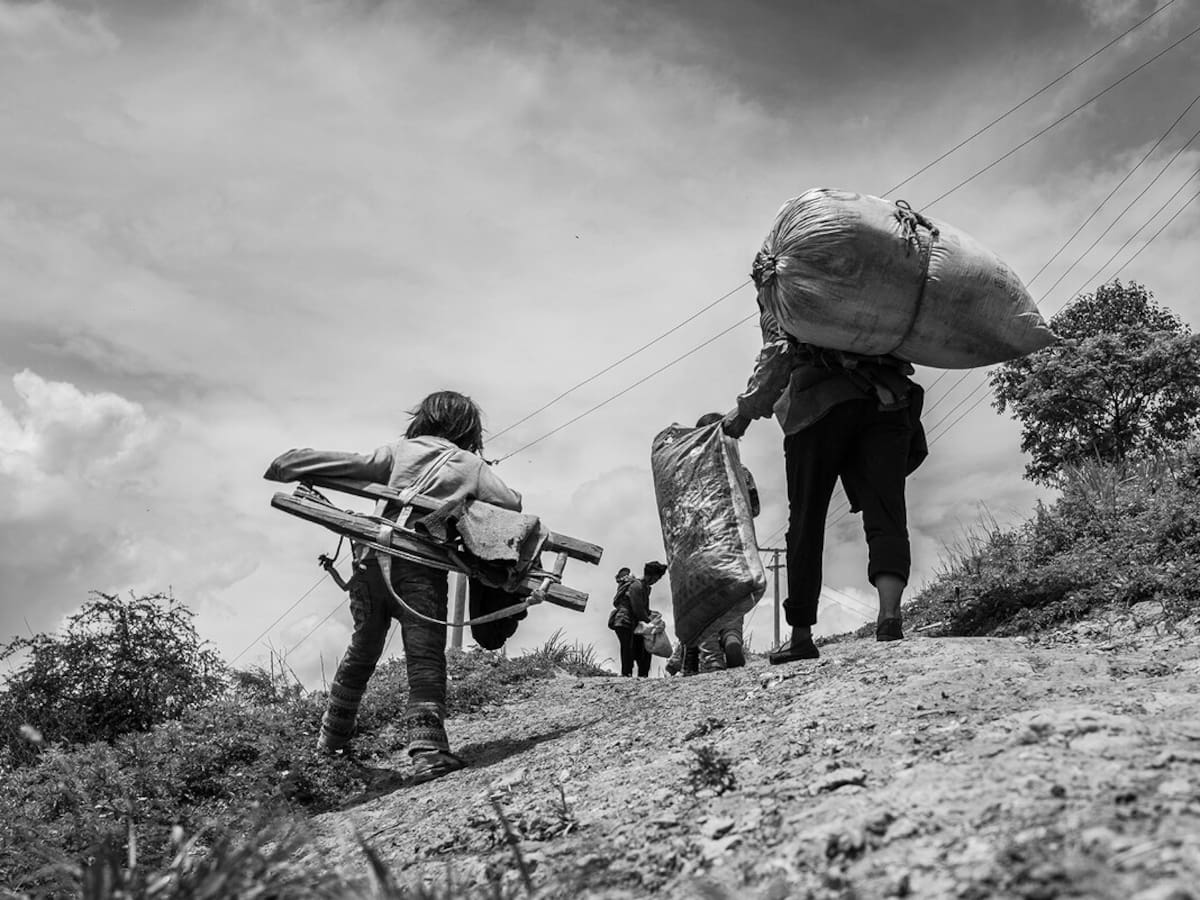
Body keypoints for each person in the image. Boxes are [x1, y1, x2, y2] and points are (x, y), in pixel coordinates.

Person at [264, 390, 522, 783]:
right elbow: (511, 503)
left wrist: (290, 463)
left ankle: (331, 744)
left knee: (362, 650)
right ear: (468, 428)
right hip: (417, 570)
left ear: (424, 419)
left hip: (369, 565)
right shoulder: (470, 464)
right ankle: (429, 753)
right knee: (424, 657)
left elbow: (354, 464)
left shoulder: (400, 451)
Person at [722, 264, 927, 664]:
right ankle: (889, 615)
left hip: (816, 408)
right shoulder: (870, 288)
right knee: (886, 507)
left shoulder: (785, 293)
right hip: (886, 402)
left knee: (807, 520)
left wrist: (745, 412)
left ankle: (800, 634)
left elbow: (778, 355)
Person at [671, 412, 761, 676]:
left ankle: (712, 658)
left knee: (704, 602)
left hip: (700, 548)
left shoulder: (688, 472)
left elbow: (678, 513)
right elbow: (753, 509)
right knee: (732, 594)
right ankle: (732, 637)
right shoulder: (741, 470)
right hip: (734, 544)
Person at [610, 561, 667, 677]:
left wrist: (653, 616)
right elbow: (638, 609)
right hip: (623, 621)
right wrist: (651, 623)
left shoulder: (645, 588)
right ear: (651, 575)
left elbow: (643, 609)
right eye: (656, 578)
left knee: (641, 649)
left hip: (633, 622)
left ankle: (639, 675)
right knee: (628, 649)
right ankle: (626, 675)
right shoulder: (637, 586)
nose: (656, 581)